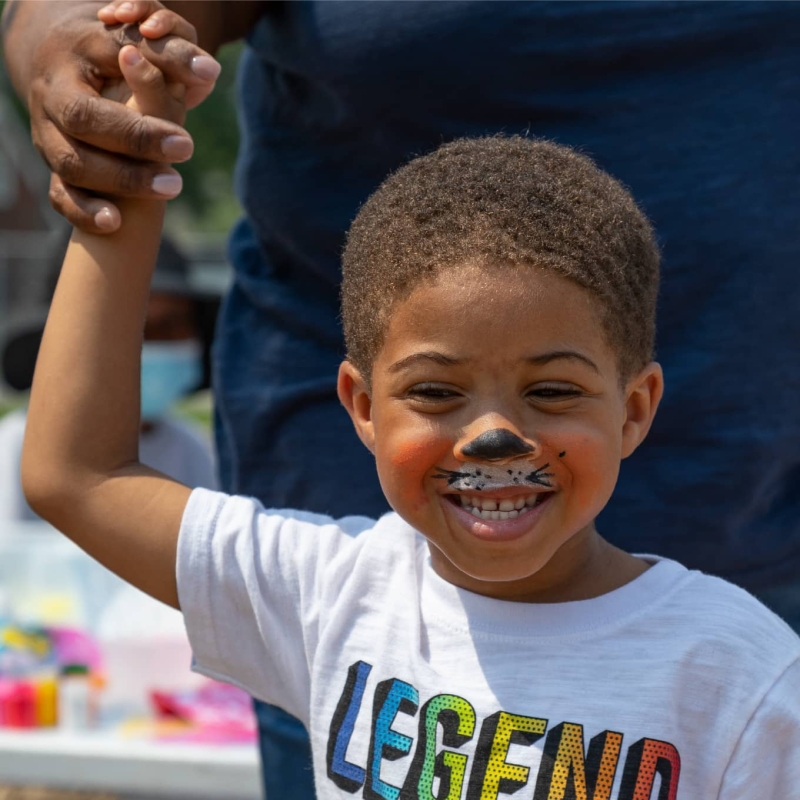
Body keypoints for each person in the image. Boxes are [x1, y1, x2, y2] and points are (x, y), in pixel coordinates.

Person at [4, 1, 800, 796]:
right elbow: (76, 474)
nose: (494, 435)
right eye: (435, 392)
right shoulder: (327, 598)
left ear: (633, 410)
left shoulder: (743, 673)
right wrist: (130, 169)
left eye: (552, 390)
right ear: (360, 404)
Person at [0, 235, 217, 520]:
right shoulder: (19, 446)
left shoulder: (191, 450)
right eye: (127, 327)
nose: (146, 345)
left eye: (169, 326)